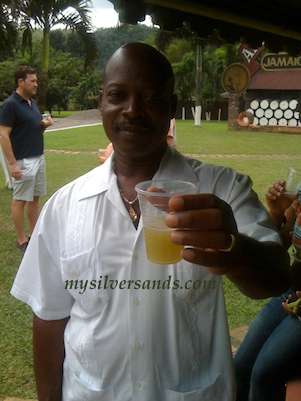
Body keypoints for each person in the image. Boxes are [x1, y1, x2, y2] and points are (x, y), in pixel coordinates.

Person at [10, 43, 290, 401]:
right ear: (101, 103)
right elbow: (49, 320)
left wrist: (233, 250)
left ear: (170, 108)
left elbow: (277, 275)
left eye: (151, 97)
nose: (132, 110)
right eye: (117, 95)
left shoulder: (223, 189)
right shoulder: (63, 207)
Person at [234, 179, 301, 401]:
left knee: (265, 374)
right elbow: (278, 247)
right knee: (240, 367)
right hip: (291, 291)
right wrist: (276, 211)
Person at [0, 65, 53, 252]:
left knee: (34, 199)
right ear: (21, 82)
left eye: (36, 81)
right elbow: (3, 135)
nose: (36, 84)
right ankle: (22, 240)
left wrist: (43, 125)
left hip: (39, 157)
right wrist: (13, 164)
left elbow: (31, 128)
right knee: (20, 200)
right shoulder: (10, 105)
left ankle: (33, 233)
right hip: (23, 161)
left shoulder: (32, 103)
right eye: (33, 81)